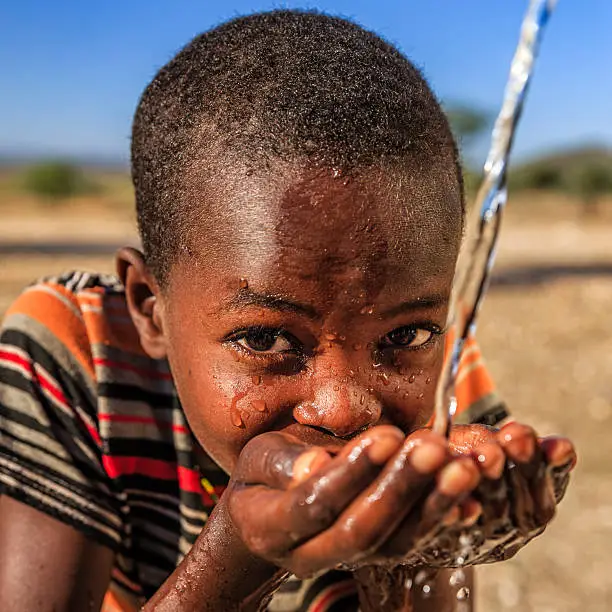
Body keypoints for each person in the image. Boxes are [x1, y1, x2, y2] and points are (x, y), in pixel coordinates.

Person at [0, 10, 576, 612]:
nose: (346, 407)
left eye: (404, 331)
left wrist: (424, 546)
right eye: (268, 339)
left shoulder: (444, 382)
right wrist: (236, 557)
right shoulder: (78, 354)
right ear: (150, 309)